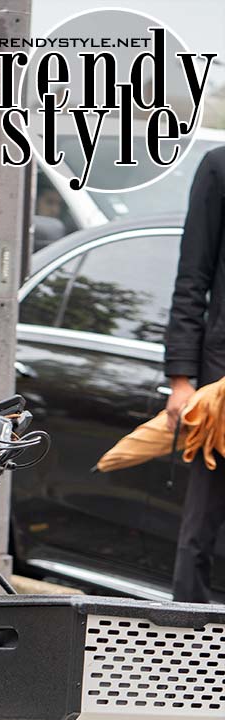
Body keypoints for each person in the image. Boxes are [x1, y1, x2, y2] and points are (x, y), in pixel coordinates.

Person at [164, 145, 225, 602]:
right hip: (219, 383)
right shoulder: (219, 167)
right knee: (201, 528)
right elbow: (192, 279)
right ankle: (188, 645)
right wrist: (182, 380)